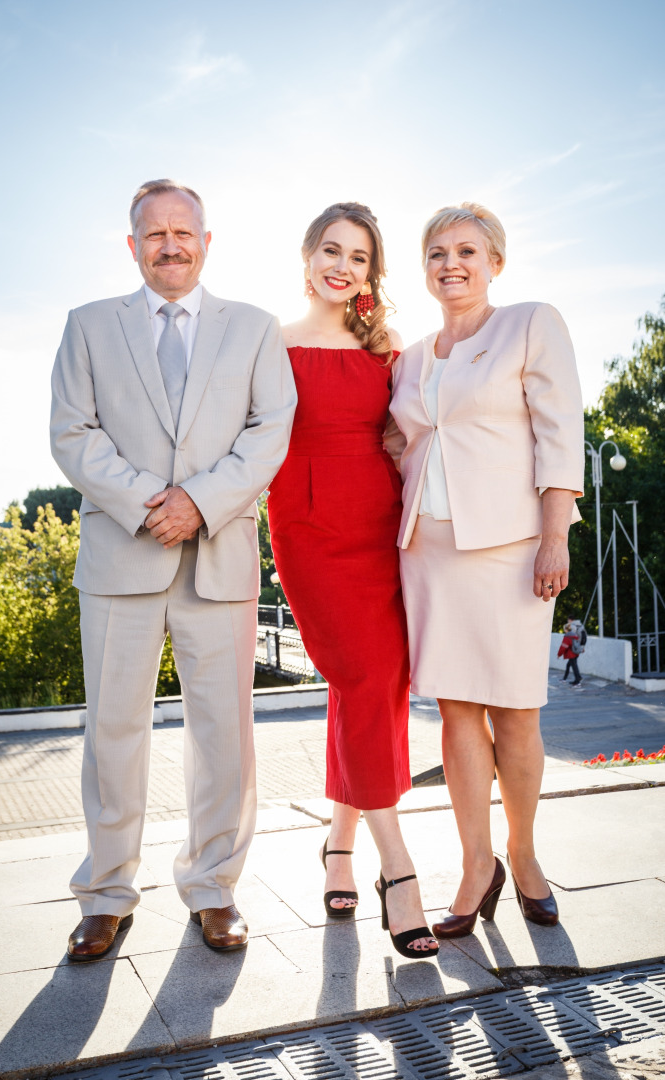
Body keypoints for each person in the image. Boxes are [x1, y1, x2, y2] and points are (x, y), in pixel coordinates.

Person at [50, 179, 297, 959]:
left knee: (224, 736)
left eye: (182, 231)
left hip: (218, 558)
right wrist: (151, 504)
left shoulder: (255, 329)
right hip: (121, 555)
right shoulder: (87, 326)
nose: (169, 244)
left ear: (206, 240)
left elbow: (270, 432)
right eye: (152, 233)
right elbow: (72, 433)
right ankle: (106, 892)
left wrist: (199, 502)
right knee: (113, 731)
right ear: (132, 245)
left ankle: (214, 888)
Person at [386, 202, 584, 936]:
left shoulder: (530, 322)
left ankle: (523, 855)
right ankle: (476, 867)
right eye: (436, 252)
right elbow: (394, 442)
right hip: (428, 553)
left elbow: (561, 434)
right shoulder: (409, 357)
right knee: (455, 711)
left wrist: (554, 535)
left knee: (515, 709)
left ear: (494, 261)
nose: (450, 263)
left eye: (466, 250)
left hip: (509, 547)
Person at [268, 202, 438, 959]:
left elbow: (403, 436)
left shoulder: (384, 346)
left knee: (375, 681)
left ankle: (338, 846)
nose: (342, 265)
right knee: (360, 674)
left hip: (378, 521)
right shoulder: (268, 343)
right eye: (330, 250)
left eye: (359, 257)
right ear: (306, 258)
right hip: (305, 525)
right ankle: (395, 869)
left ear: (371, 272)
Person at [559, 617, 585, 686]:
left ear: (566, 629)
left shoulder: (567, 636)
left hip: (571, 654)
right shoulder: (574, 635)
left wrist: (559, 654)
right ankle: (577, 678)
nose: (564, 630)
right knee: (570, 665)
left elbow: (563, 646)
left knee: (574, 667)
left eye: (564, 629)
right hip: (575, 653)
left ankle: (577, 681)